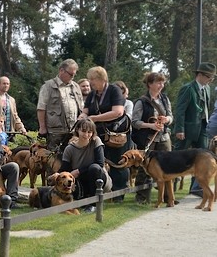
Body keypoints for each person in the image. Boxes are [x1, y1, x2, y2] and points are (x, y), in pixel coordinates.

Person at [79, 66, 128, 202]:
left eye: (93, 79)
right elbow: (86, 110)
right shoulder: (92, 94)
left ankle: (118, 196)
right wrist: (82, 116)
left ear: (102, 79)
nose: (91, 82)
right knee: (97, 162)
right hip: (98, 135)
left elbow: (118, 112)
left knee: (117, 164)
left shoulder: (114, 90)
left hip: (115, 135)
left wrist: (94, 118)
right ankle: (97, 194)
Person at [173, 62, 215, 197]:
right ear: (200, 75)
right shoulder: (188, 88)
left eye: (213, 78)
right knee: (179, 158)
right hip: (187, 128)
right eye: (209, 77)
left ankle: (196, 188)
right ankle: (170, 190)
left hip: (203, 128)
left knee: (202, 158)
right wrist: (179, 129)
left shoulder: (207, 88)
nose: (211, 80)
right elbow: (180, 110)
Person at [50, 118, 111, 211]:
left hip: (98, 178)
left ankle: (93, 204)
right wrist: (57, 175)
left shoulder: (96, 141)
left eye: (89, 132)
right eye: (83, 131)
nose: (86, 135)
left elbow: (100, 163)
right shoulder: (69, 149)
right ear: (77, 130)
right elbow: (65, 169)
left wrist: (78, 171)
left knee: (94, 168)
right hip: (80, 181)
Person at [131, 72, 173, 204]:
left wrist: (166, 119)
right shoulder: (141, 102)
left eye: (163, 82)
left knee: (167, 167)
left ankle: (168, 197)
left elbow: (171, 117)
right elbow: (135, 122)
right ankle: (141, 197)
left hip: (164, 138)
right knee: (144, 168)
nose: (162, 85)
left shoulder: (165, 99)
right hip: (148, 139)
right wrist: (151, 125)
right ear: (150, 84)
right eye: (159, 82)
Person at [37, 59, 84, 153]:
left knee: (74, 158)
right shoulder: (48, 86)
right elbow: (41, 108)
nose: (73, 77)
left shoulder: (75, 86)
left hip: (73, 130)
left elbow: (82, 107)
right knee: (54, 160)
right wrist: (42, 127)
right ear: (61, 70)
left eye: (74, 74)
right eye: (71, 74)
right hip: (55, 131)